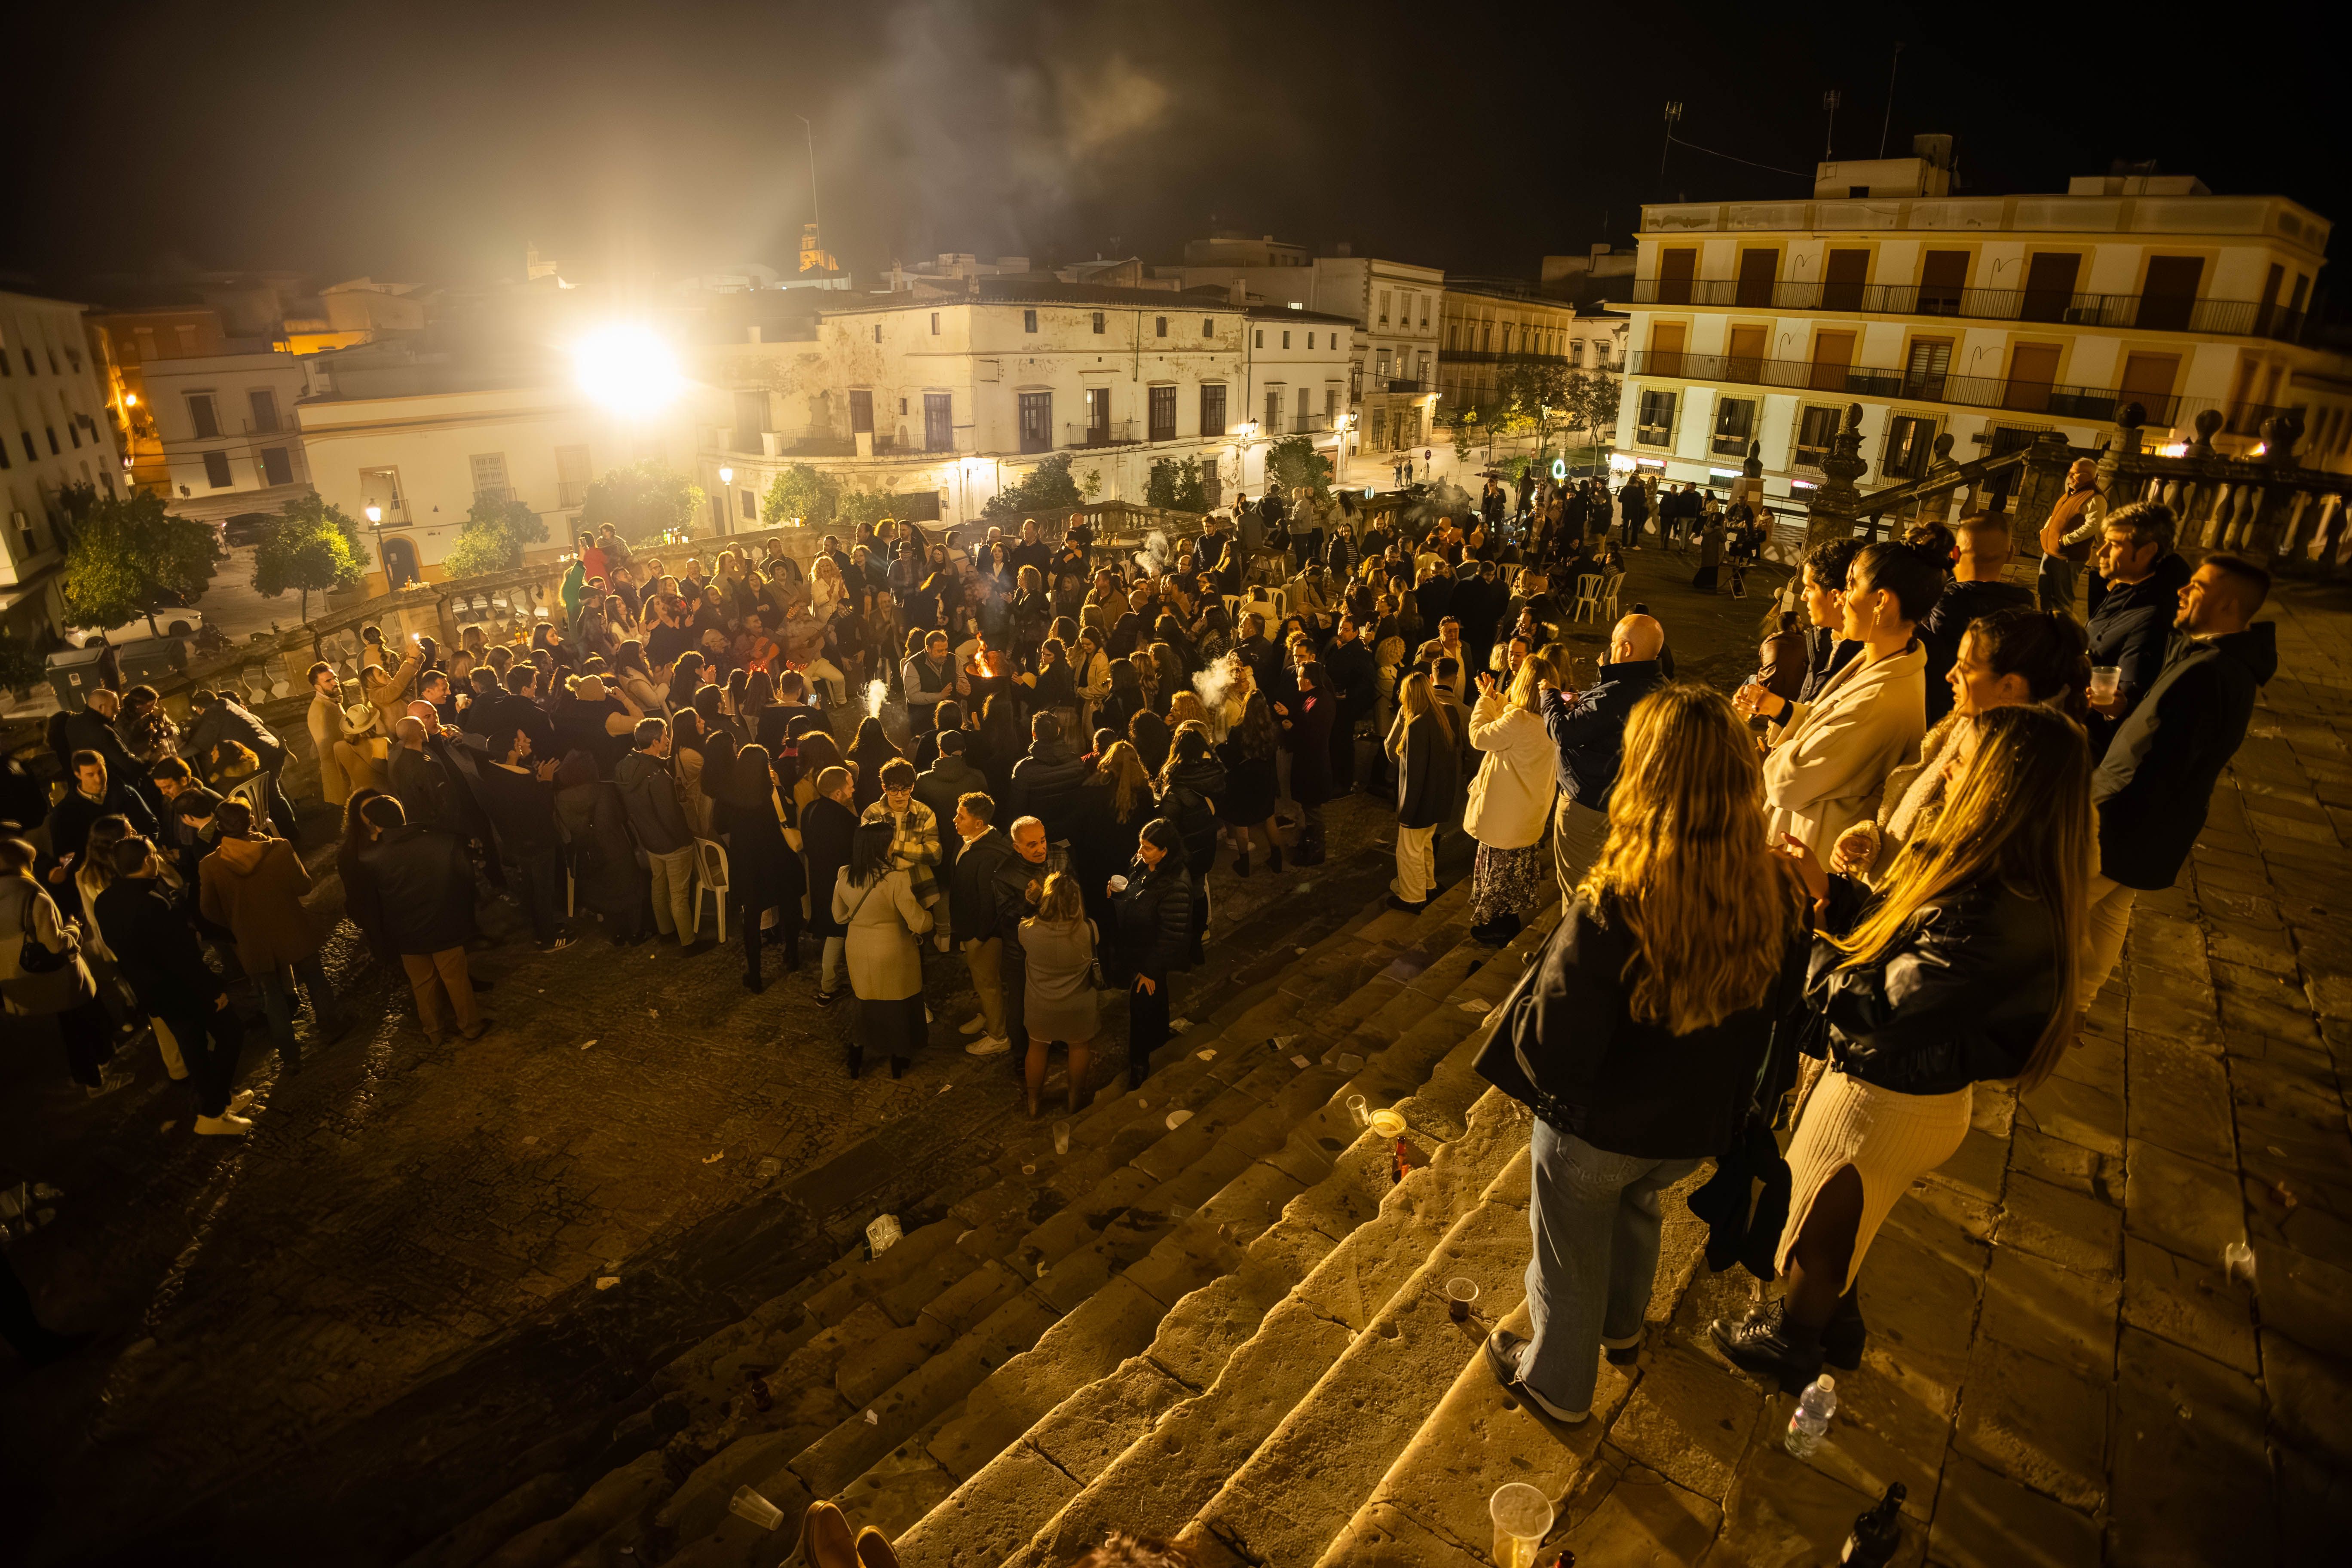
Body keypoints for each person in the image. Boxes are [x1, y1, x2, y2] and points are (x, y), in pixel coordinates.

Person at [1714, 703, 2089, 1386]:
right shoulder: (1995, 873)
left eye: (1963, 760)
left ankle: (1792, 1341)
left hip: (1888, 1097)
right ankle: (1835, 1326)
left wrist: (1808, 940)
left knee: (1817, 1231)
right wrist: (1834, 895)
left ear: (1999, 783)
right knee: (1846, 1218)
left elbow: (1881, 1007)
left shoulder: (1996, 908)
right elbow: (1910, 944)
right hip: (1908, 1085)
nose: (1946, 771)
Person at [1481, 685, 1809, 1424]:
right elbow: (1782, 1008)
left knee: (1565, 1255)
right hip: (1690, 1130)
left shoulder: (1615, 904)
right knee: (1636, 1209)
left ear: (1646, 775)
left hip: (1598, 1131)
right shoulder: (1779, 892)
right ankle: (1622, 1326)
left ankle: (1555, 1384)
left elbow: (1551, 1046)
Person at [2082, 553, 2276, 1007]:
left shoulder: (2212, 671)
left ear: (2229, 606)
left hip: (2126, 819)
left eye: (2199, 588)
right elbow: (2165, 728)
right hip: (2154, 825)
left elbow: (2167, 764)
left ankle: (2031, 1006)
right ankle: (2078, 1004)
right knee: (2110, 912)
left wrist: (2097, 812)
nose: (2182, 591)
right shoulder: (2209, 655)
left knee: (2052, 906)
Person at [1835, 607, 2092, 888]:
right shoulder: (1961, 725)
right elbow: (1898, 795)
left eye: (1966, 668)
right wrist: (1866, 837)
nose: (1950, 676)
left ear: (2009, 686)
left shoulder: (2018, 778)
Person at [1738, 542, 1939, 858]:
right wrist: (1782, 709)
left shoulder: (1883, 699)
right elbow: (1826, 720)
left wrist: (1775, 755)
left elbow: (1786, 785)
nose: (1841, 598)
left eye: (1850, 585)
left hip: (1813, 856)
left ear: (1881, 601)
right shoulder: (1875, 660)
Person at [98, 834, 255, 1131]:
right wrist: (214, 990)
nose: (157, 858)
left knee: (193, 1048)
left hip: (155, 993)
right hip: (184, 992)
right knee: (231, 1032)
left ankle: (217, 1101)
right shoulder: (152, 903)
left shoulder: (105, 901)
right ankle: (213, 1112)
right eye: (154, 854)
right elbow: (182, 959)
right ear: (146, 861)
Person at [198, 797, 343, 1073]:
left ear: (220, 828)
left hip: (252, 941)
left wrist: (236, 921)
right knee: (314, 976)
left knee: (272, 995)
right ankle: (329, 1025)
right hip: (292, 928)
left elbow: (209, 911)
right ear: (251, 821)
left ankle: (290, 1056)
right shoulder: (280, 848)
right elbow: (304, 886)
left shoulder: (210, 865)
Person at [1542, 614, 1666, 905]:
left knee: (1579, 893)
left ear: (1625, 649)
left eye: (1613, 643)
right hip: (1624, 802)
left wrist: (1549, 696)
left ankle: (1571, 948)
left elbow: (1563, 732)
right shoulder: (1657, 685)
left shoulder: (1619, 694)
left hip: (1590, 806)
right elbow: (1607, 711)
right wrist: (1588, 695)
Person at [352, 795, 490, 1044]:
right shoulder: (441, 842)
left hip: (406, 932)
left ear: (375, 825)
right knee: (456, 979)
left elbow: (373, 902)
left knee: (422, 983)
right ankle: (470, 1027)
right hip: (444, 924)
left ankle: (434, 1033)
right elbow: (464, 883)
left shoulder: (371, 859)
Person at [3, 836, 126, 1097]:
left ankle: (90, 1075)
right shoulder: (33, 894)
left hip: (20, 978)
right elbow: (57, 945)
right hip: (56, 978)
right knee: (79, 1028)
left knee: (67, 1031)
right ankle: (97, 1083)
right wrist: (74, 928)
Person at [2082, 502, 2192, 758]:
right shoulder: (2125, 586)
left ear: (2147, 553)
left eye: (2115, 545)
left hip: (2092, 745)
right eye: (2104, 542)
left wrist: (2114, 708)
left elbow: (2129, 698)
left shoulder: (2153, 614)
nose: (2101, 552)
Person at [1464, 655, 1559, 946]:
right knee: (1515, 875)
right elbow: (1514, 714)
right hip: (1528, 813)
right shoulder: (1550, 720)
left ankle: (1498, 928)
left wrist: (1483, 703)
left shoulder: (1517, 721)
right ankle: (1508, 921)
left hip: (1504, 816)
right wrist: (1495, 698)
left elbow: (1479, 736)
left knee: (1499, 875)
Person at [836, 817, 934, 1078]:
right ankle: (898, 1060)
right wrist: (929, 918)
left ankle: (856, 1056)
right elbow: (917, 921)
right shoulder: (895, 879)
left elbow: (838, 916)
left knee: (866, 1001)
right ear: (883, 846)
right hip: (893, 949)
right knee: (897, 1005)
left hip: (857, 947)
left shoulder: (845, 874)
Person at [1916, 516, 2037, 727]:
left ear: (1955, 554)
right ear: (2011, 554)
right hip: (1991, 726)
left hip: (1927, 719)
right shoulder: (2025, 612)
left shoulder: (1931, 607)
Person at [474, 721, 573, 952]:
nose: (527, 742)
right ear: (512, 750)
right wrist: (546, 781)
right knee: (543, 890)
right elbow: (541, 810)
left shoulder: (492, 775)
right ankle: (548, 938)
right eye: (522, 741)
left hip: (517, 845)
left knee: (530, 886)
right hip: (538, 843)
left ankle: (538, 927)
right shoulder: (521, 780)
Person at [1108, 818, 1192, 1090]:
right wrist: (1119, 896)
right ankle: (1159, 1039)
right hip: (1138, 949)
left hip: (1150, 955)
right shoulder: (1143, 864)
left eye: (1148, 847)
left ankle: (1140, 1062)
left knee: (1142, 1005)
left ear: (1165, 851)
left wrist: (1151, 970)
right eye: (1141, 844)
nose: (1141, 851)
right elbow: (1136, 897)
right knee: (1156, 999)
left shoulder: (1175, 884)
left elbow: (1172, 934)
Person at [714, 742, 802, 990]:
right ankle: (793, 956)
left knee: (751, 919)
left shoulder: (727, 793)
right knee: (789, 905)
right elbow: (790, 818)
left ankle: (755, 975)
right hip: (777, 857)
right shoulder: (771, 790)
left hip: (747, 861)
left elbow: (720, 826)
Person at [616, 717, 704, 949]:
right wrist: (685, 840)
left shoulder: (625, 766)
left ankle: (665, 931)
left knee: (659, 887)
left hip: (649, 841)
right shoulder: (657, 777)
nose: (668, 739)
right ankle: (689, 942)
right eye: (665, 736)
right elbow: (671, 816)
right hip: (672, 845)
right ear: (655, 742)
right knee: (678, 895)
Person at [1018, 871, 1099, 1118]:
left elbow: (1027, 919)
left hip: (1040, 1004)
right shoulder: (1088, 930)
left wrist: (1032, 901)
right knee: (1079, 1047)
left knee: (1037, 1048)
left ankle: (1033, 1101)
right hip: (1078, 1004)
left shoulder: (1028, 931)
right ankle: (1074, 1098)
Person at [554, 750, 649, 946]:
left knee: (604, 893)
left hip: (589, 853)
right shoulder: (605, 790)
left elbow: (565, 830)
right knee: (629, 890)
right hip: (616, 847)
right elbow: (621, 817)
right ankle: (635, 933)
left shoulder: (561, 799)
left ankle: (615, 934)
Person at [1384, 672, 1460, 912]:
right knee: (1425, 846)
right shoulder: (1447, 713)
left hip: (1420, 801)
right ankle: (1429, 885)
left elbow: (1415, 775)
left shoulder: (1417, 724)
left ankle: (1412, 897)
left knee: (1408, 851)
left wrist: (1406, 812)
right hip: (1439, 798)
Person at [45, 751, 157, 910]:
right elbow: (66, 853)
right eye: (90, 775)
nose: (98, 779)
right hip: (101, 879)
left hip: (140, 870)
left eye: (100, 772)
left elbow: (150, 824)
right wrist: (65, 868)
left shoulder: (124, 792)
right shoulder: (65, 813)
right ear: (78, 775)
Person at [184, 689, 297, 839]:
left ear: (199, 709)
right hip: (268, 751)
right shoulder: (225, 705)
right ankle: (289, 833)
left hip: (264, 756)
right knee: (273, 796)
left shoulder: (215, 712)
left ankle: (287, 834)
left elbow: (201, 742)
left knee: (272, 796)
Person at [1156, 727, 1224, 965]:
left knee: (1180, 901)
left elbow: (1167, 826)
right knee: (1198, 891)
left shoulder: (1175, 785)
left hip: (1185, 853)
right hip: (1205, 846)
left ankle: (1184, 948)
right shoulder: (1210, 774)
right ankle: (1198, 942)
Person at [802, 766, 861, 1004]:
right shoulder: (844, 818)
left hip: (818, 880)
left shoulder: (810, 809)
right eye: (850, 787)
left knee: (833, 933)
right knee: (839, 933)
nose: (853, 789)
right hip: (840, 885)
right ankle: (829, 988)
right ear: (838, 793)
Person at [1214, 680, 1282, 876]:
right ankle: (1277, 860)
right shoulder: (1271, 730)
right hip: (1266, 779)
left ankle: (1244, 865)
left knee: (1241, 822)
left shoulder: (1238, 731)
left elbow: (1231, 759)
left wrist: (1220, 747)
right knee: (1269, 817)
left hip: (1244, 782)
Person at [1793, 538, 1863, 704]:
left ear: (1835, 596)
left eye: (1810, 589)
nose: (1803, 597)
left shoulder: (1861, 660)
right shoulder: (1820, 641)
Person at [2036, 456, 2106, 613]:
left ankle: (2064, 631)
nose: (2071, 476)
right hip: (2051, 551)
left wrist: (2065, 541)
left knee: (2062, 598)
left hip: (2069, 556)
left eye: (2076, 474)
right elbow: (2055, 516)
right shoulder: (2071, 493)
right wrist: (2045, 531)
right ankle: (2046, 625)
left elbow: (2092, 526)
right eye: (2070, 473)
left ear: (2089, 476)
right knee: (2045, 591)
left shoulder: (2095, 498)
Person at [307, 661, 382, 804]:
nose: (335, 683)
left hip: (351, 777)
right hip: (342, 782)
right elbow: (327, 752)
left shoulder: (331, 702)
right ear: (317, 687)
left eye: (335, 678)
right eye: (328, 681)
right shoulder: (319, 711)